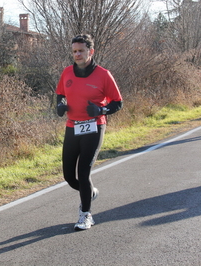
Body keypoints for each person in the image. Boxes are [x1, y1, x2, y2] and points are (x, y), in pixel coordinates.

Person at [55, 34, 123, 230]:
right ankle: (90, 193)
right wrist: (60, 105)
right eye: (75, 51)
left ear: (90, 52)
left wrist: (101, 110)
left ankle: (86, 215)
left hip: (94, 126)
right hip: (72, 126)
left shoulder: (103, 74)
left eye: (81, 51)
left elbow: (118, 102)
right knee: (69, 176)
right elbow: (60, 93)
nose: (77, 54)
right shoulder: (67, 72)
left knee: (83, 172)